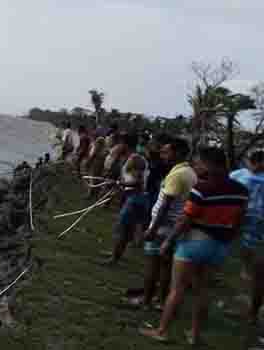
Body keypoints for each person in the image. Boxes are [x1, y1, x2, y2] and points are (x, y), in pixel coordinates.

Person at [140, 147, 248, 345]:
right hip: (219, 246)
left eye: (198, 163)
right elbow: (240, 221)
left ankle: (162, 331)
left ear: (209, 164)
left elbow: (185, 220)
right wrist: (228, 239)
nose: (196, 167)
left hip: (194, 242)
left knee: (177, 289)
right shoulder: (241, 191)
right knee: (203, 291)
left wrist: (168, 241)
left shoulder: (202, 188)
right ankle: (195, 335)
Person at [130, 137, 197, 309]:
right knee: (165, 265)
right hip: (174, 226)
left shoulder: (177, 174)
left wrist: (153, 228)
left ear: (179, 153)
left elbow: (166, 205)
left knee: (152, 264)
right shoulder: (190, 172)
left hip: (163, 226)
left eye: (167, 151)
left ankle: (145, 300)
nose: (163, 154)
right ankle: (160, 301)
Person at [102, 133, 150, 266]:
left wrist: (119, 184)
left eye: (121, 143)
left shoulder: (136, 159)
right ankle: (115, 254)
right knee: (124, 229)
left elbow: (139, 183)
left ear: (125, 144)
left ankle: (114, 259)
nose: (118, 146)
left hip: (136, 198)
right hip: (133, 197)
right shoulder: (132, 158)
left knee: (123, 229)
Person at [230, 150, 264, 325]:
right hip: (239, 229)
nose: (255, 165)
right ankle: (243, 307)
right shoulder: (239, 174)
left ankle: (252, 312)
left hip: (258, 234)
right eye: (253, 161)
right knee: (244, 270)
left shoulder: (240, 175)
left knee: (258, 274)